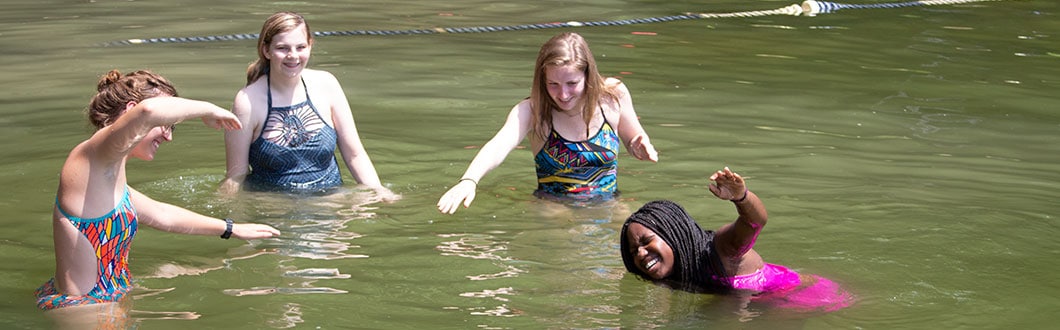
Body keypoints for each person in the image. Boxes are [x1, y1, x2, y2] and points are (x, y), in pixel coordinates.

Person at [36, 70, 282, 313]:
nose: (168, 136)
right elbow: (149, 111)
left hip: (110, 300)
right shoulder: (91, 156)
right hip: (85, 309)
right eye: (166, 125)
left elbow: (162, 214)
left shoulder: (107, 176)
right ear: (129, 110)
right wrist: (209, 109)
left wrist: (232, 228)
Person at [437, 32, 658, 214]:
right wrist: (469, 180)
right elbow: (498, 145)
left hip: (609, 201)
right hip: (553, 207)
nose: (562, 94)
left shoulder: (612, 95)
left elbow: (634, 137)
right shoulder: (532, 111)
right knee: (569, 229)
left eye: (572, 83)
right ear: (542, 79)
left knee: (636, 232)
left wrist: (641, 145)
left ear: (588, 76)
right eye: (553, 83)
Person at [220, 11, 398, 200]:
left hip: (331, 207)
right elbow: (236, 176)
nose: (293, 56)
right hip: (274, 211)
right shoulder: (247, 101)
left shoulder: (326, 85)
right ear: (266, 50)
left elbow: (355, 154)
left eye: (301, 47)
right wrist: (230, 221)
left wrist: (380, 192)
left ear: (310, 46)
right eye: (282, 48)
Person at [620, 167, 852, 312]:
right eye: (633, 251)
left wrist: (741, 198)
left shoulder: (722, 250)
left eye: (646, 242)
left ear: (673, 236)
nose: (639, 254)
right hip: (764, 307)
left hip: (807, 298)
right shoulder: (675, 271)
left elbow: (755, 222)